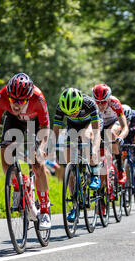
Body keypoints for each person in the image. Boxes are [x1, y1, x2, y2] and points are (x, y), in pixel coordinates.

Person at [0, 73, 51, 230]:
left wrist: (41, 148)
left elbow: (45, 128)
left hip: (35, 123)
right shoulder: (2, 96)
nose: (16, 104)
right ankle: (19, 186)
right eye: (13, 100)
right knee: (6, 159)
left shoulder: (38, 98)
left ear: (28, 97)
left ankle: (45, 210)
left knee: (37, 163)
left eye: (20, 101)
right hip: (13, 121)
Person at [52, 87, 102, 222]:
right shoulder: (60, 107)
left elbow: (97, 133)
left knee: (87, 136)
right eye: (69, 113)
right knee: (69, 164)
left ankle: (94, 174)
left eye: (74, 112)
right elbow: (55, 131)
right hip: (72, 127)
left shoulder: (89, 104)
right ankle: (74, 205)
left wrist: (95, 149)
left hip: (90, 124)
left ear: (79, 104)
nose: (72, 114)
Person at [92, 84, 129, 184]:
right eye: (98, 102)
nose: (100, 105)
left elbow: (125, 126)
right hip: (100, 124)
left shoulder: (115, 103)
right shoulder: (91, 105)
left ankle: (120, 168)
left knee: (111, 133)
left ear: (109, 98)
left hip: (114, 123)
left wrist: (121, 137)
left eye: (103, 102)